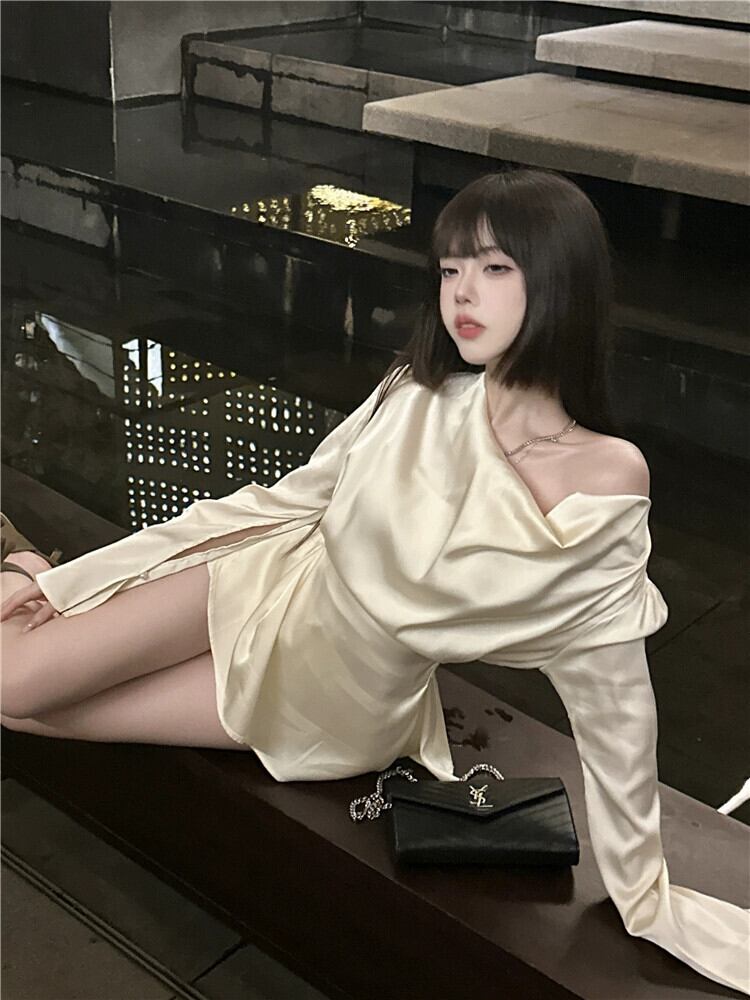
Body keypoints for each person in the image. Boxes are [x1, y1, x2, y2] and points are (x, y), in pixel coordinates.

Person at [1, 169, 748, 993]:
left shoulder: (605, 473)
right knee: (17, 677)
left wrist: (644, 890)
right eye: (450, 269)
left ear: (558, 280)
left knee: (17, 699)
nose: (462, 293)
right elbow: (287, 502)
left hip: (330, 695)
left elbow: (614, 699)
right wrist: (92, 577)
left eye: (494, 268)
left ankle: (19, 562)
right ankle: (32, 569)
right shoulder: (418, 391)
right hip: (267, 572)